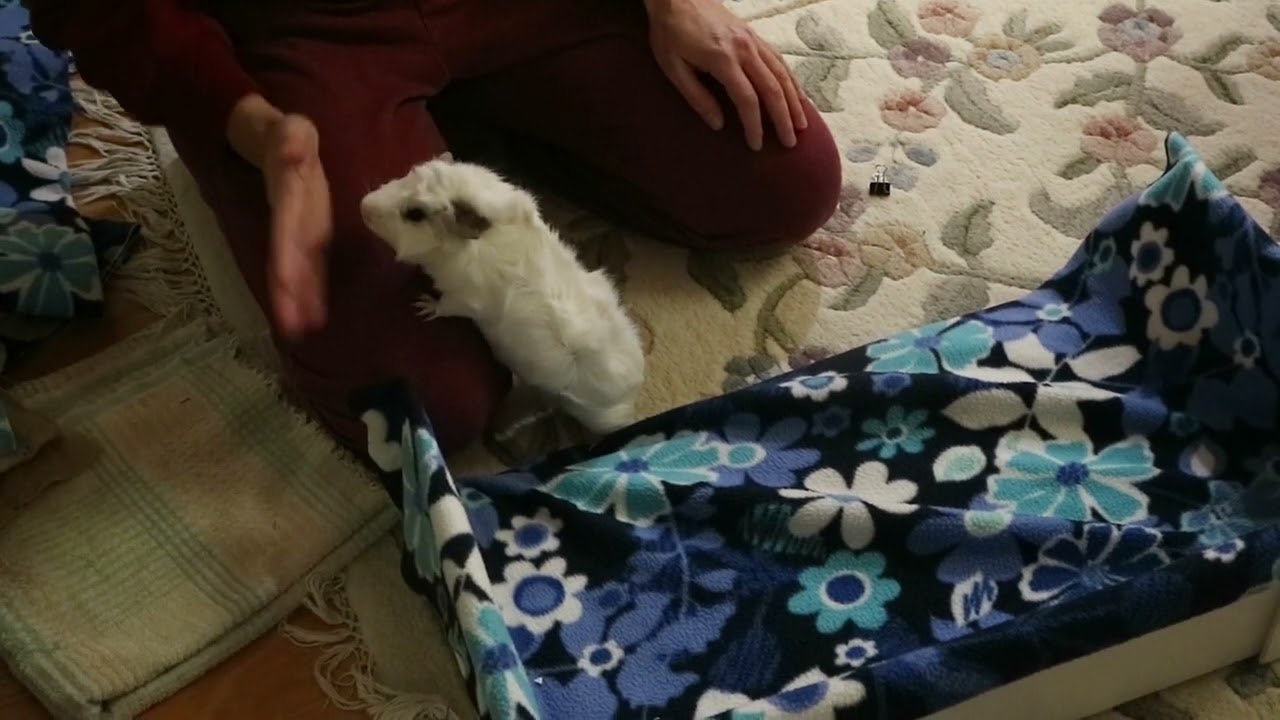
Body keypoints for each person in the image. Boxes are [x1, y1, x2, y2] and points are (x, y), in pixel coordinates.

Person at [31, 0, 842, 455]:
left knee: (785, 185)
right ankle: (381, 125)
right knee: (419, 406)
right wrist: (251, 131)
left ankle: (489, 114)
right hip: (293, 29)